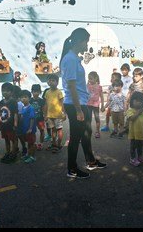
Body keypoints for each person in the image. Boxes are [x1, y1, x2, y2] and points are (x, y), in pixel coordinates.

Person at [60, 28, 107, 179]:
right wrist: (78, 110)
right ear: (79, 41)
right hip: (75, 104)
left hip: (81, 102)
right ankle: (72, 169)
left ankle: (91, 161)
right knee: (76, 137)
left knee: (86, 133)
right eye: (86, 42)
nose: (87, 45)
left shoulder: (74, 58)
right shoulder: (70, 59)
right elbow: (72, 87)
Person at [43, 74, 66, 152]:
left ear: (57, 82)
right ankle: (54, 144)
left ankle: (59, 145)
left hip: (58, 115)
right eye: (49, 80)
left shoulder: (59, 92)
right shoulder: (47, 92)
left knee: (59, 130)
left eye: (53, 80)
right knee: (53, 130)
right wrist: (45, 115)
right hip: (50, 115)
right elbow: (46, 104)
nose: (51, 82)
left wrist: (64, 113)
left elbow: (62, 103)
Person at [127, 92, 143, 166]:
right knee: (133, 146)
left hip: (141, 133)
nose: (138, 103)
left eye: (141, 101)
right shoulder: (130, 110)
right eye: (136, 101)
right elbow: (132, 119)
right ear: (132, 101)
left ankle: (140, 157)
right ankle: (132, 159)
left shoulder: (142, 112)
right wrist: (138, 112)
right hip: (133, 134)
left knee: (140, 146)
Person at [0, 82, 19, 164]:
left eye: (7, 91)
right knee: (6, 140)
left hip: (11, 126)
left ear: (11, 92)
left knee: (13, 140)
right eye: (3, 90)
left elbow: (15, 114)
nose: (5, 92)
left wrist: (15, 124)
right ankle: (8, 153)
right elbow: (0, 113)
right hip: (4, 125)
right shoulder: (1, 102)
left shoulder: (13, 102)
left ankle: (14, 154)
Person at [20, 90, 37, 163]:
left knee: (31, 143)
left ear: (29, 98)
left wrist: (30, 128)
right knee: (28, 143)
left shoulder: (31, 108)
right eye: (22, 97)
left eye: (25, 97)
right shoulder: (23, 107)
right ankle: (28, 154)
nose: (23, 99)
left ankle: (32, 157)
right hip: (25, 129)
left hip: (30, 130)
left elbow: (32, 118)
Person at [87, 71, 105, 138]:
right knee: (88, 119)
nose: (89, 80)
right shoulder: (88, 86)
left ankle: (97, 132)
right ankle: (88, 130)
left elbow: (102, 96)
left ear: (96, 78)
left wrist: (102, 105)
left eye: (91, 78)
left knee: (97, 118)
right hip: (88, 105)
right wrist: (87, 82)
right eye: (89, 78)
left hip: (96, 105)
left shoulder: (99, 87)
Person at [30, 84, 45, 150]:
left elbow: (44, 109)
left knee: (42, 130)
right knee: (33, 132)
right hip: (32, 119)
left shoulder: (42, 101)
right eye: (34, 91)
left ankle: (41, 143)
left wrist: (45, 116)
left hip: (40, 119)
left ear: (40, 92)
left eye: (37, 91)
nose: (35, 93)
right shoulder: (29, 100)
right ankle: (35, 143)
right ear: (32, 92)